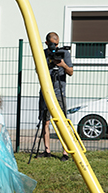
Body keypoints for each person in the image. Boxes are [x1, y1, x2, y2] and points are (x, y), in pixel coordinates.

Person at [37, 32, 73, 162]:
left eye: (57, 44)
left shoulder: (64, 53)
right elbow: (38, 71)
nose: (55, 47)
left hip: (59, 92)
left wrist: (62, 64)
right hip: (46, 92)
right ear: (47, 43)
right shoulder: (42, 53)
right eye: (52, 44)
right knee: (45, 121)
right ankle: (47, 150)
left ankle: (65, 152)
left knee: (61, 122)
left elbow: (71, 72)